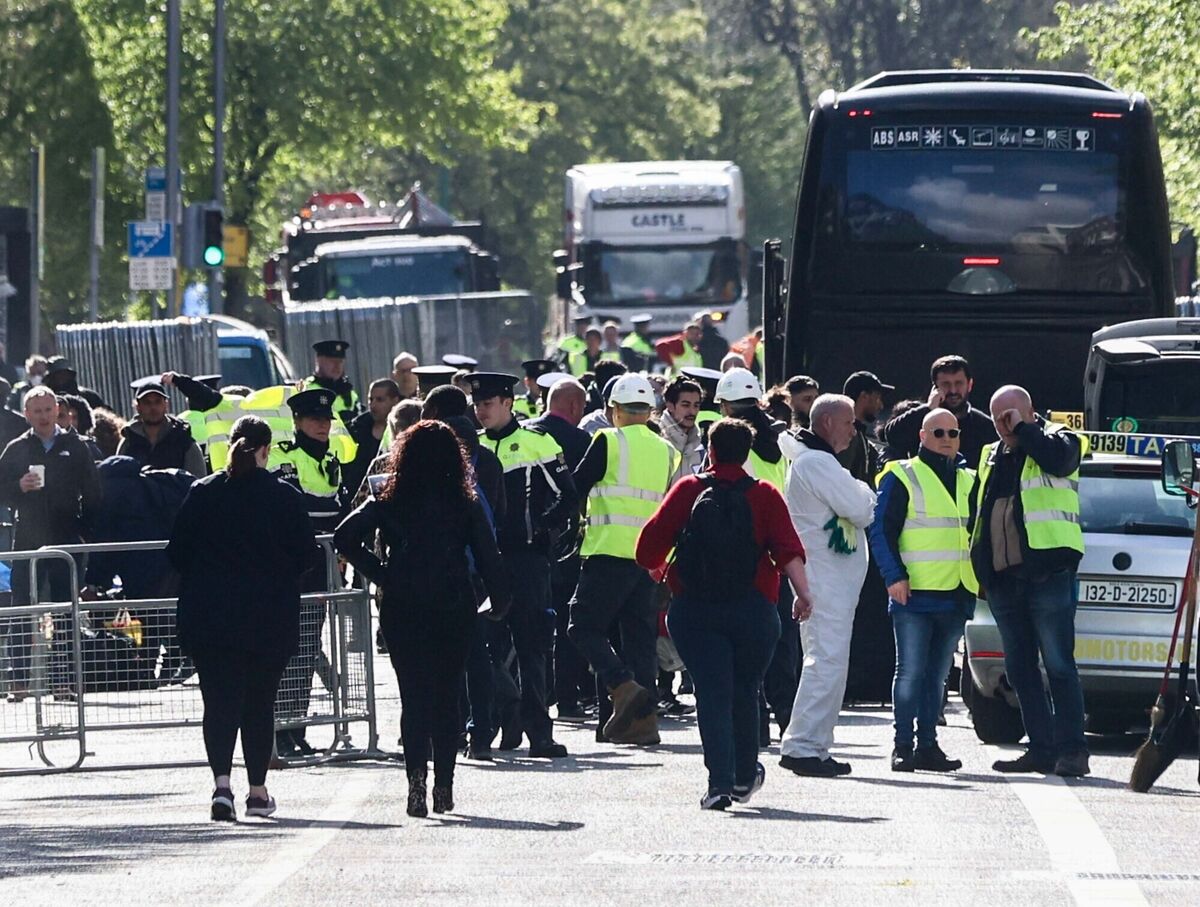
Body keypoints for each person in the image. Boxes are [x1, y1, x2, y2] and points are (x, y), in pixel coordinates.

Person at [336, 421, 510, 816]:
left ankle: (416, 782)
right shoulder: (463, 501)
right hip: (453, 602)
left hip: (403, 603)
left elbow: (344, 535)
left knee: (413, 696)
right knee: (448, 695)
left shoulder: (388, 497)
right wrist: (500, 600)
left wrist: (382, 573)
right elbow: (488, 554)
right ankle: (444, 786)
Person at [637, 419, 813, 809]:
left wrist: (660, 567)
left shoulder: (688, 490)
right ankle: (744, 776)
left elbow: (647, 548)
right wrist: (803, 595)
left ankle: (718, 784)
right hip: (754, 608)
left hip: (695, 609)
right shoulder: (765, 494)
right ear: (747, 453)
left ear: (710, 451)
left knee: (711, 692)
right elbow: (787, 550)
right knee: (745, 689)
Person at [168, 415, 321, 820]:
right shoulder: (283, 497)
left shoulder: (203, 492)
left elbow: (176, 553)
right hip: (268, 617)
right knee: (259, 704)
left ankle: (221, 788)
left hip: (210, 618)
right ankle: (257, 792)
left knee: (218, 704)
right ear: (267, 450)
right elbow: (307, 555)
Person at [970, 385, 1089, 778]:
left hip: (1047, 573)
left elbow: (1059, 460)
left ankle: (1072, 750)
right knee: (1020, 668)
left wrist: (1024, 431)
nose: (1003, 425)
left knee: (1058, 664)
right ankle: (1040, 749)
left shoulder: (1061, 439)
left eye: (1010, 416)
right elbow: (981, 511)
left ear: (1029, 411)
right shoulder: (992, 453)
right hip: (1004, 580)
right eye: (997, 418)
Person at [569, 374, 680, 746]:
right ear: (650, 411)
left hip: (607, 551)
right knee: (639, 640)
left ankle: (622, 684)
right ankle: (640, 726)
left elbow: (576, 487)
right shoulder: (668, 451)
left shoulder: (607, 440)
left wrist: (549, 523)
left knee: (583, 626)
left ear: (613, 411)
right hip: (648, 560)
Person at [472, 372, 577, 758]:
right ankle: (499, 719)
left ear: (507, 403)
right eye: (477, 404)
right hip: (486, 564)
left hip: (528, 560)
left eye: (488, 403)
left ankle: (539, 732)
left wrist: (546, 528)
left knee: (533, 648)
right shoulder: (473, 448)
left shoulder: (537, 442)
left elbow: (569, 495)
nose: (481, 410)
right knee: (485, 648)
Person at [869, 408, 976, 773]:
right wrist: (892, 575)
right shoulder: (902, 474)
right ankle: (903, 746)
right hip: (913, 592)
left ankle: (928, 745)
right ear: (922, 436)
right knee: (911, 671)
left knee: (937, 675)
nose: (947, 438)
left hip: (957, 590)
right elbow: (881, 530)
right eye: (939, 432)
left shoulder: (968, 479)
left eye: (953, 432)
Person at [778, 394, 876, 777]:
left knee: (828, 662)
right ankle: (803, 745)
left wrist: (858, 491)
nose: (854, 430)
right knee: (825, 663)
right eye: (849, 422)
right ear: (828, 423)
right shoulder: (817, 463)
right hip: (824, 582)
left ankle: (814, 745)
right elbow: (863, 507)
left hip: (829, 581)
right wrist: (863, 491)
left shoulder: (816, 461)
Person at [0, 386, 102, 701]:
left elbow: (94, 493)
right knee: (22, 611)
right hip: (27, 539)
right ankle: (18, 682)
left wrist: (84, 531)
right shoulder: (17, 448)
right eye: (37, 411)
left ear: (57, 410)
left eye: (48, 410)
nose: (43, 417)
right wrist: (18, 487)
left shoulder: (77, 445)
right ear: (27, 414)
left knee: (64, 612)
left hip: (65, 539)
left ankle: (63, 682)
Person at [268, 388, 349, 757]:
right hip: (289, 569)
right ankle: (279, 728)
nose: (322, 425)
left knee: (306, 649)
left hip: (319, 569)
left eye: (326, 419)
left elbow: (338, 507)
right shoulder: (286, 457)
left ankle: (295, 726)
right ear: (297, 422)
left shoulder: (330, 458)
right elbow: (295, 508)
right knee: (286, 649)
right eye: (314, 419)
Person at [881, 355, 998, 467]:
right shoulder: (921, 419)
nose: (953, 390)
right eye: (946, 384)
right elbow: (892, 436)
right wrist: (928, 409)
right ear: (935, 387)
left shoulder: (986, 427)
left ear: (970, 385)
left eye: (958, 383)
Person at [116, 379, 207, 477]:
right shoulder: (128, 442)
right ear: (138, 407)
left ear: (166, 405)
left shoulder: (183, 440)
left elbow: (198, 482)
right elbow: (118, 480)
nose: (153, 407)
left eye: (158, 402)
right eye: (147, 403)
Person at [343, 378, 400, 500]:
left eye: (380, 400)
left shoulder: (402, 430)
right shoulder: (356, 428)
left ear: (395, 401)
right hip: (354, 498)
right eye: (370, 399)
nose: (373, 405)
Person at [839, 371, 892, 486]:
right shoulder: (844, 436)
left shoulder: (860, 436)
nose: (881, 406)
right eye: (878, 398)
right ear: (864, 396)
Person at [301, 339, 360, 424]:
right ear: (318, 361)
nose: (337, 366)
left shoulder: (349, 392)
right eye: (332, 362)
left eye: (340, 362)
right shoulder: (305, 389)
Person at [656, 376, 704, 479]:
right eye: (685, 405)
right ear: (670, 406)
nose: (692, 411)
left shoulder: (701, 445)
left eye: (696, 405)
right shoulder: (657, 439)